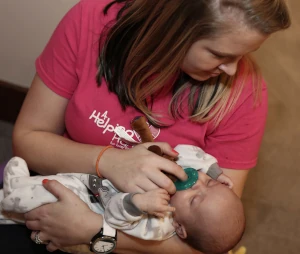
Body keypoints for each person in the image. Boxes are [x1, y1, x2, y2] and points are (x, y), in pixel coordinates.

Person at [3, 0, 290, 253]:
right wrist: (108, 161)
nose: (234, 69)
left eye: (245, 53)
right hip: (58, 192)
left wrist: (96, 229)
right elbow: (27, 141)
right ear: (174, 29)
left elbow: (209, 239)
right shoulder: (90, 21)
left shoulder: (243, 95)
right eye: (219, 54)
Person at [2, 147, 244, 254]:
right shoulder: (180, 175)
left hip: (85, 208)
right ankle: (12, 203)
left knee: (45, 196)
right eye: (209, 184)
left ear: (180, 228)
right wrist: (212, 170)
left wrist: (138, 204)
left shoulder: (159, 224)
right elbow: (186, 150)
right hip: (88, 184)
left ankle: (14, 192)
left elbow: (113, 216)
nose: (196, 184)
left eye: (194, 200)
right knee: (54, 185)